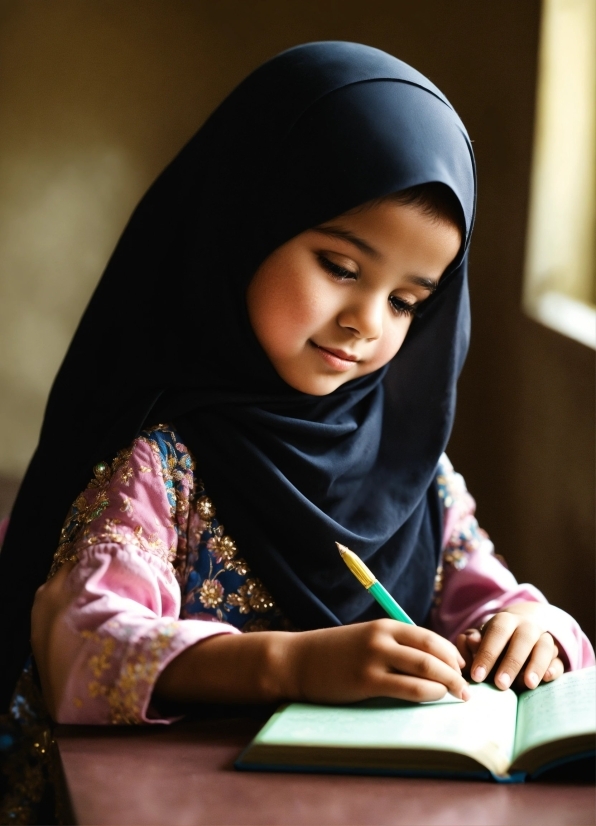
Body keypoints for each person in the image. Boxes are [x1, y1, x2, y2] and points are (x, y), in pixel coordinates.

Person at [1, 43, 593, 740]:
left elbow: (483, 593)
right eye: (340, 266)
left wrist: (533, 626)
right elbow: (84, 644)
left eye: (407, 302)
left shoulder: (412, 469)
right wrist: (290, 664)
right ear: (243, 226)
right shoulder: (166, 461)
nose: (366, 323)